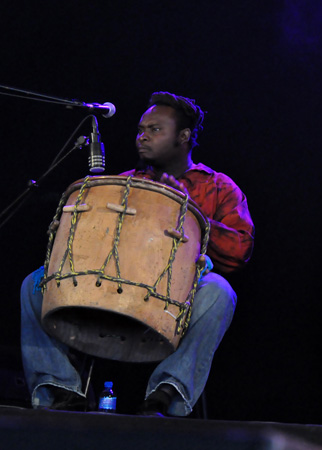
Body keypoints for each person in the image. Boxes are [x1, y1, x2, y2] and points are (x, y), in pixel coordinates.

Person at [20, 91, 255, 417]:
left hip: (173, 309)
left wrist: (188, 210)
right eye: (140, 129)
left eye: (155, 129)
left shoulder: (217, 187)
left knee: (220, 292)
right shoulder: (123, 183)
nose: (142, 136)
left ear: (183, 137)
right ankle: (59, 391)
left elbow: (239, 250)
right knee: (35, 283)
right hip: (110, 297)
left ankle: (166, 396)